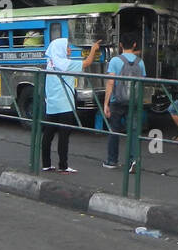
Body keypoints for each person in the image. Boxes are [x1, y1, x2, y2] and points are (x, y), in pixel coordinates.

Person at [41, 37, 101, 173]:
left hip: (51, 105)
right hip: (65, 105)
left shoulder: (50, 63)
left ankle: (46, 164)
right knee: (64, 136)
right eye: (66, 47)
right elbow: (87, 62)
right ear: (60, 49)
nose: (69, 49)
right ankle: (63, 166)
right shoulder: (66, 64)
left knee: (48, 135)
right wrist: (93, 50)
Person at [102, 35, 146, 169]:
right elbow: (142, 82)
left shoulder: (115, 61)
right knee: (133, 131)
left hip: (117, 101)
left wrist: (106, 103)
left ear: (120, 45)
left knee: (114, 130)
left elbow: (110, 83)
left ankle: (112, 161)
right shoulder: (140, 62)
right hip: (134, 101)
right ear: (134, 45)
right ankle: (133, 160)